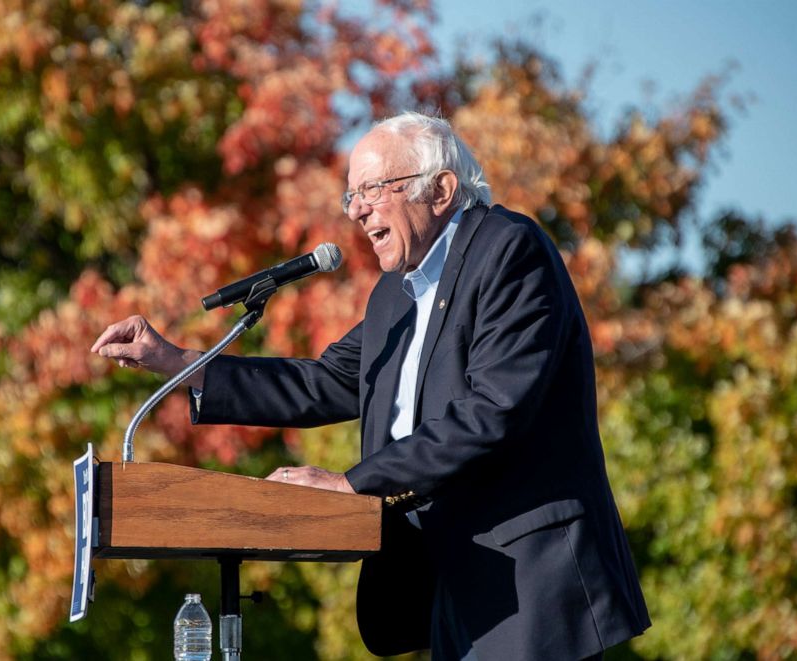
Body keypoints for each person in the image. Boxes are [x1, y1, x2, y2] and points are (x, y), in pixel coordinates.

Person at [90, 112, 650, 660]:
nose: (357, 210)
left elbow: (492, 412)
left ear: (441, 190)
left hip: (530, 577)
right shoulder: (394, 295)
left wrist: (352, 484)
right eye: (350, 196)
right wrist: (176, 360)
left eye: (373, 189)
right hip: (446, 583)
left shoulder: (509, 250)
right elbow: (324, 382)